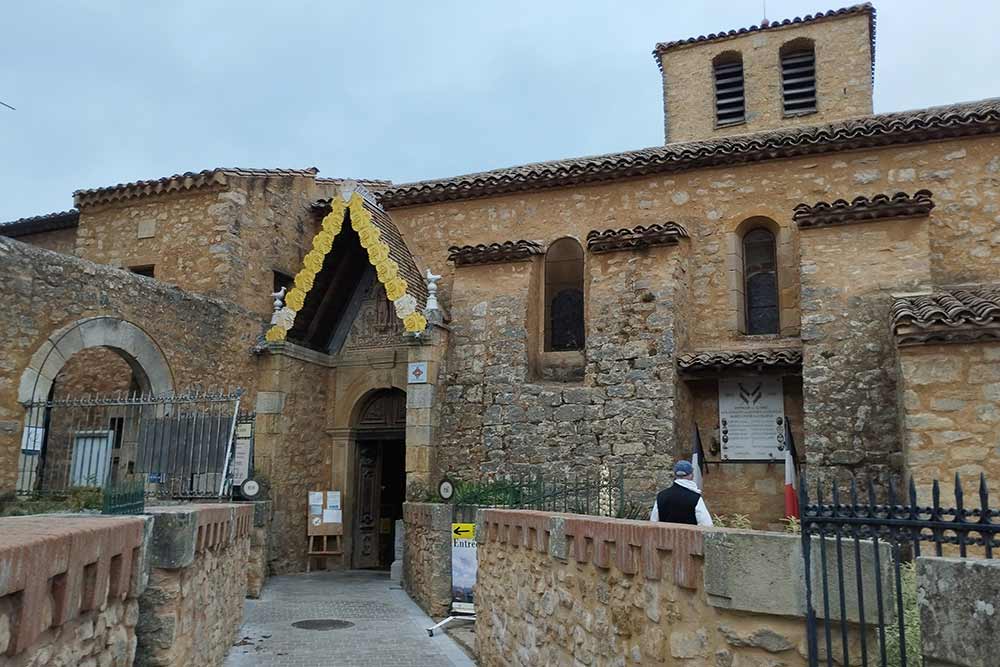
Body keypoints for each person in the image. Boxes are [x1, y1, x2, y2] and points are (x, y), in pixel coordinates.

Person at [649, 460, 713, 526]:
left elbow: (654, 522)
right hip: (689, 536)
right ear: (691, 475)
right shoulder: (695, 498)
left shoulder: (661, 496)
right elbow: (707, 524)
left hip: (666, 535)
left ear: (675, 474)